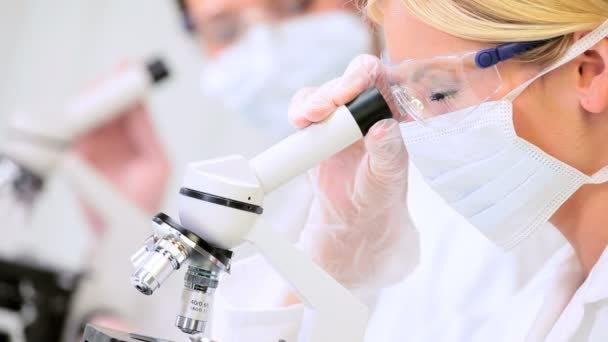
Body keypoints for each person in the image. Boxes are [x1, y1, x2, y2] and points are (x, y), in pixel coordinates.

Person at [205, 0, 608, 341]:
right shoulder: (535, 311)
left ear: (587, 72)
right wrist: (334, 268)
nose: (420, 131)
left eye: (439, 92)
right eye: (402, 99)